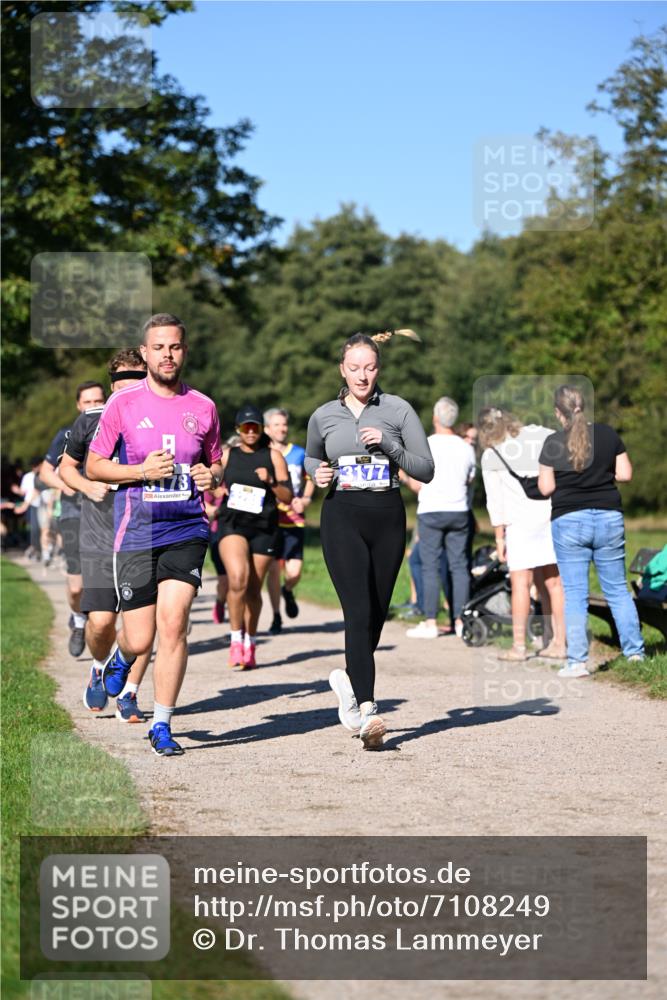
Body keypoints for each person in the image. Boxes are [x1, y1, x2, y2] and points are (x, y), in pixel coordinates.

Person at [86, 313, 222, 756]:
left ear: (185, 350)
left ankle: (162, 724)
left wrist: (210, 475)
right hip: (137, 531)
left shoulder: (203, 407)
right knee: (140, 638)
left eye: (175, 346)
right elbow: (94, 466)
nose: (167, 354)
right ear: (145, 353)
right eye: (158, 347)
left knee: (175, 625)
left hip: (187, 528)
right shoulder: (122, 406)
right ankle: (122, 658)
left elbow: (216, 462)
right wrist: (139, 471)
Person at [306, 331, 434, 750]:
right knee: (357, 609)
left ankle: (348, 678)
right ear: (343, 369)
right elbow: (312, 455)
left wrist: (391, 445)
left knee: (377, 611)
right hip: (342, 515)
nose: (363, 375)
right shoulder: (324, 415)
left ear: (379, 369)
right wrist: (316, 472)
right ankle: (367, 710)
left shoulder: (398, 410)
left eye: (370, 367)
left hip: (387, 516)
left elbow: (426, 468)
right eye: (355, 367)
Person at [60, 349, 152, 721]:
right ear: (112, 386)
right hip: (99, 536)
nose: (128, 390)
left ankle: (130, 692)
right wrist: (86, 485)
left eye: (136, 380)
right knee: (100, 622)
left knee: (142, 624)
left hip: (145, 535)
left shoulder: (158, 416)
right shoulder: (89, 422)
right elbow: (66, 469)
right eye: (121, 383)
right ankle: (100, 666)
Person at [538, 385, 645, 677]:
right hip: (609, 517)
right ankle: (635, 654)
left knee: (574, 593)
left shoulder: (552, 442)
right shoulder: (608, 434)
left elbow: (546, 487)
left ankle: (577, 663)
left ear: (558, 413)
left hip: (569, 520)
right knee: (618, 590)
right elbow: (625, 474)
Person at [479, 406, 566, 660]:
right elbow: (560, 440)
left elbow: (495, 502)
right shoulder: (537, 435)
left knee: (521, 584)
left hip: (519, 524)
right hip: (551, 516)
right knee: (553, 583)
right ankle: (558, 642)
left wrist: (499, 538)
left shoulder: (490, 455)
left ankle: (519, 646)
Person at [217, 405, 292, 668]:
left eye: (255, 427)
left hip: (264, 528)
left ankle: (251, 639)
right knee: (237, 579)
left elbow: (288, 496)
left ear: (261, 429)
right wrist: (215, 490)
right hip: (233, 524)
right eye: (245, 427)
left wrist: (271, 481)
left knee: (252, 590)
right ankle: (235, 639)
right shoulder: (228, 455)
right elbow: (213, 481)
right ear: (238, 430)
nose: (250, 432)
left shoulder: (273, 456)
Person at [39, 381, 107, 656]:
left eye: (98, 401)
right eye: (87, 402)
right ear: (79, 406)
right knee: (77, 586)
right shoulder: (66, 434)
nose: (93, 407)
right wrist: (67, 485)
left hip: (105, 513)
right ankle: (79, 620)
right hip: (73, 512)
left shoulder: (113, 430)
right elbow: (46, 471)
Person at [404, 397, 475, 640]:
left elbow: (416, 485)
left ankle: (431, 621)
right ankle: (460, 621)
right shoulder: (466, 448)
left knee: (430, 566)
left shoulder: (426, 444)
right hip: (459, 511)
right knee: (459, 566)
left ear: (435, 418)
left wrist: (403, 476)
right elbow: (469, 479)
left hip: (431, 511)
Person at [263, 407, 315, 633]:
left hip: (294, 519)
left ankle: (288, 590)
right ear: (267, 428)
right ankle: (275, 616)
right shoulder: (262, 453)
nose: (282, 428)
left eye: (284, 424)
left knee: (294, 572)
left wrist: (305, 498)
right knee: (273, 570)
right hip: (269, 520)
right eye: (276, 425)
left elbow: (311, 477)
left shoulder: (299, 453)